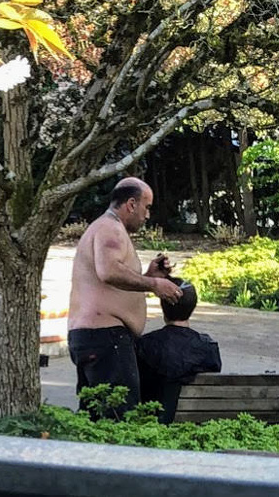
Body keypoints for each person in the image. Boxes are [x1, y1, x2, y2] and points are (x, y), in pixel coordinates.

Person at [67, 177, 182, 420]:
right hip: (105, 338)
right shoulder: (110, 228)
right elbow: (108, 271)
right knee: (120, 420)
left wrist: (149, 276)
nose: (147, 215)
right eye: (146, 207)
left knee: (95, 420)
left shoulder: (104, 227)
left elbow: (112, 280)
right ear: (131, 204)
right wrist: (154, 284)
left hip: (94, 337)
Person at [136, 277, 222, 424]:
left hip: (151, 425)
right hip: (195, 426)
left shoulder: (145, 345)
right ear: (193, 307)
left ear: (163, 306)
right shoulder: (207, 348)